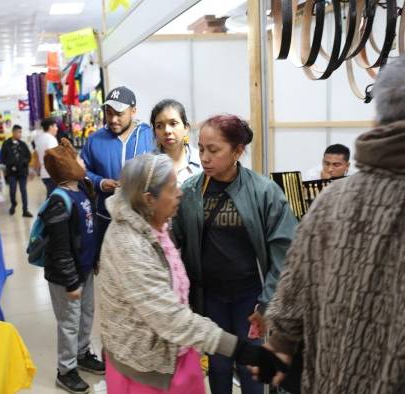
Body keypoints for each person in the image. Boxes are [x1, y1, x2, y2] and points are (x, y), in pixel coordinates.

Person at [257, 54, 405, 394]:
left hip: (334, 377)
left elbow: (292, 295)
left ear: (376, 121)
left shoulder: (331, 203)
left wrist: (279, 344)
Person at [99, 153, 287, 394]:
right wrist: (243, 350)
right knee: (220, 367)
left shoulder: (153, 223)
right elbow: (169, 318)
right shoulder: (130, 246)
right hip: (148, 370)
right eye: (171, 188)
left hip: (178, 348)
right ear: (149, 199)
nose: (179, 192)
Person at [172, 115, 298, 394]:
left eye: (213, 150)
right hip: (210, 297)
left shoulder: (263, 192)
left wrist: (266, 304)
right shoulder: (191, 191)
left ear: (238, 151)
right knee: (217, 364)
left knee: (251, 364)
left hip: (250, 299)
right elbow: (172, 240)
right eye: (201, 148)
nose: (204, 157)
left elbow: (285, 252)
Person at [42, 139, 105, 394]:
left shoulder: (82, 190)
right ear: (67, 167)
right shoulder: (59, 200)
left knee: (86, 314)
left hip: (85, 269)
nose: (83, 163)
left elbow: (90, 231)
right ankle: (66, 370)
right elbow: (59, 249)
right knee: (69, 321)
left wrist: (95, 260)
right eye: (78, 160)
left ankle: (81, 353)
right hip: (66, 276)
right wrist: (70, 281)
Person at [81, 86, 154, 256]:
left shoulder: (149, 136)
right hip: (107, 219)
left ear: (133, 111)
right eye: (109, 113)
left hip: (143, 220)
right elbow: (81, 172)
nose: (113, 119)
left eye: (119, 114)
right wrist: (100, 182)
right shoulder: (94, 140)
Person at [151, 99, 202, 185]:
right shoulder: (148, 167)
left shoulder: (202, 162)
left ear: (186, 127)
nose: (167, 131)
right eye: (159, 126)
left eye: (173, 123)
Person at [0, 124, 33, 217]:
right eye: (18, 132)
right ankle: (13, 204)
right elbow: (2, 158)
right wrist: (10, 164)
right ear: (13, 132)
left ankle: (25, 210)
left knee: (23, 190)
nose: (20, 134)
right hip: (11, 172)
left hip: (22, 172)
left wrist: (24, 162)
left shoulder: (23, 144)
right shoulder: (6, 144)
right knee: (12, 190)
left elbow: (29, 156)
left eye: (21, 132)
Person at [35, 117, 59, 197]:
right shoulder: (51, 139)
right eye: (55, 126)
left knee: (51, 195)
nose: (57, 128)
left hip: (44, 173)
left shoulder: (39, 139)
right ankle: (47, 209)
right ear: (50, 127)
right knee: (53, 197)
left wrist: (37, 170)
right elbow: (53, 156)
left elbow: (37, 156)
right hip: (51, 173)